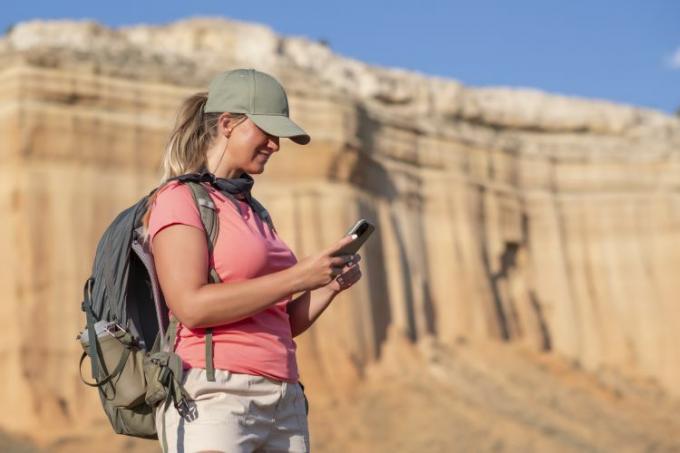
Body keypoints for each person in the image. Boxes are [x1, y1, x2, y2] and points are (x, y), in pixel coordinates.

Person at [143, 68, 363, 452]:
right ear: (227, 123)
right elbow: (191, 307)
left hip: (284, 399)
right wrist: (297, 277)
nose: (276, 145)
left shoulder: (253, 211)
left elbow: (279, 322)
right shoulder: (179, 200)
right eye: (268, 132)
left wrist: (327, 286)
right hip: (215, 398)